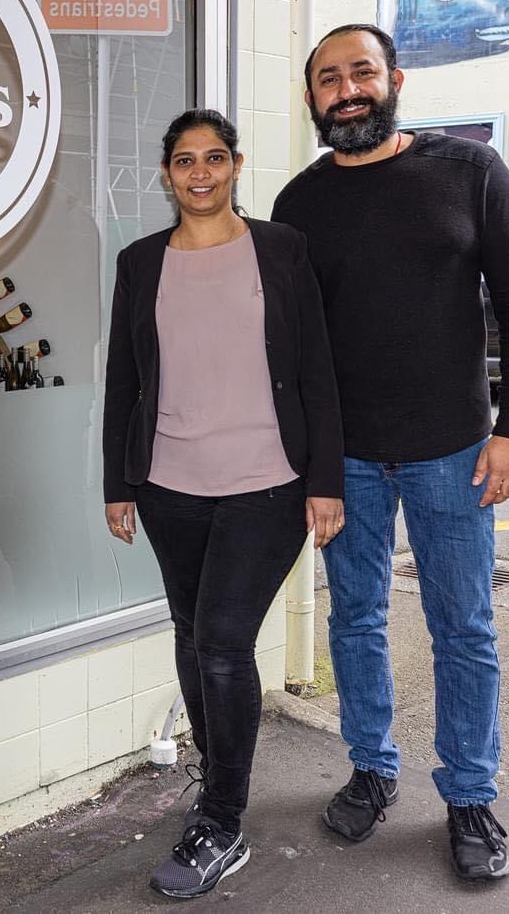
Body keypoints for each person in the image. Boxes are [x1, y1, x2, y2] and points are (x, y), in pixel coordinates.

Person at [272, 24, 509, 881]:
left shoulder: (469, 171)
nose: (346, 89)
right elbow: (292, 344)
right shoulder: (299, 203)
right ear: (312, 98)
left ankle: (469, 795)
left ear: (394, 80)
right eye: (329, 78)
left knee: (463, 627)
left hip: (454, 452)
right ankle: (371, 768)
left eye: (361, 71)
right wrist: (309, 460)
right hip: (346, 458)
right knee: (355, 620)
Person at [103, 108, 345, 899]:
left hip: (266, 483)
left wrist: (326, 479)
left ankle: (223, 819)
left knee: (220, 644)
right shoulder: (141, 262)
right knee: (190, 632)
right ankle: (219, 776)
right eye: (184, 160)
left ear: (236, 166)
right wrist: (117, 481)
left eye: (214, 157)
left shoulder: (281, 248)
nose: (199, 172)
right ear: (166, 173)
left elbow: (316, 369)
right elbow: (124, 377)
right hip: (168, 484)